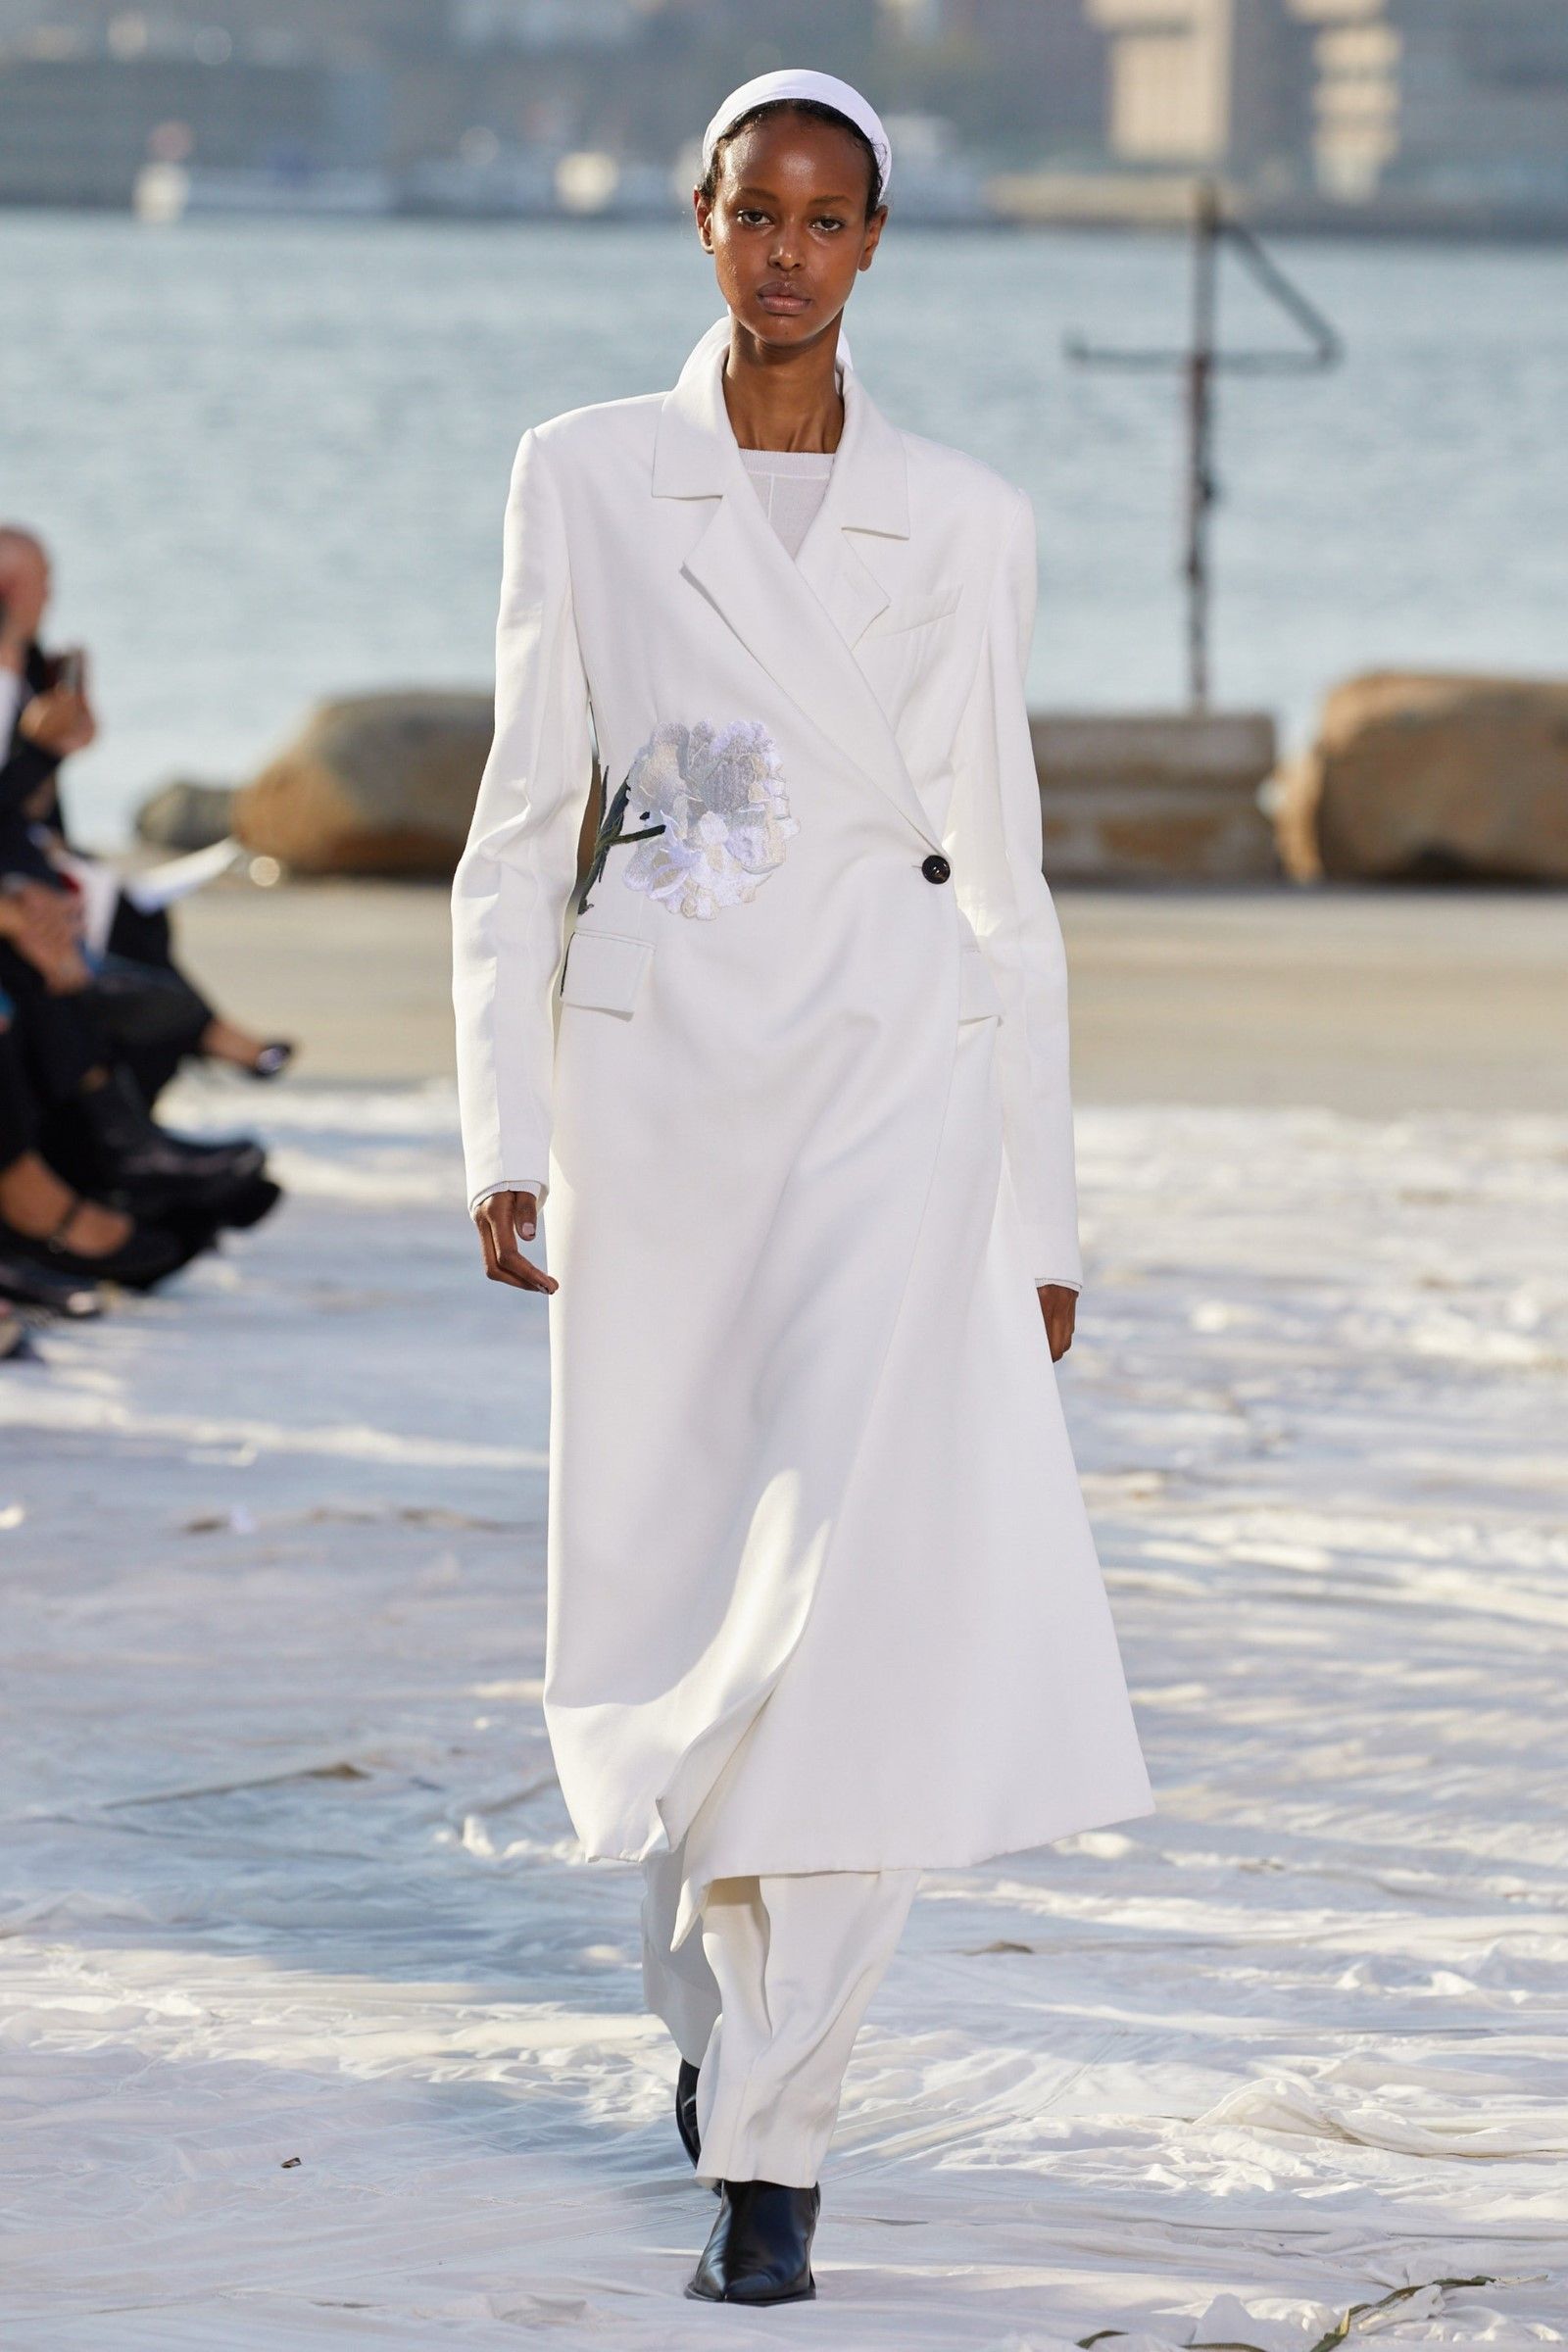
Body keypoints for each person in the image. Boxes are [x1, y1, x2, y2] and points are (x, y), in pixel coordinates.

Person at [451, 70, 1152, 2307]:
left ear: (872, 246)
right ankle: (709, 2021)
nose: (785, 250)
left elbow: (1002, 877)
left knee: (849, 1610)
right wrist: (501, 1129)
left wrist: (1037, 1210)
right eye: (754, 211)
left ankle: (777, 2152)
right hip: (662, 1099)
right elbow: (523, 824)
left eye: (826, 218)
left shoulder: (963, 517)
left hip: (884, 1093)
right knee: (680, 1601)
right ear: (700, 221)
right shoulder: (583, 474)